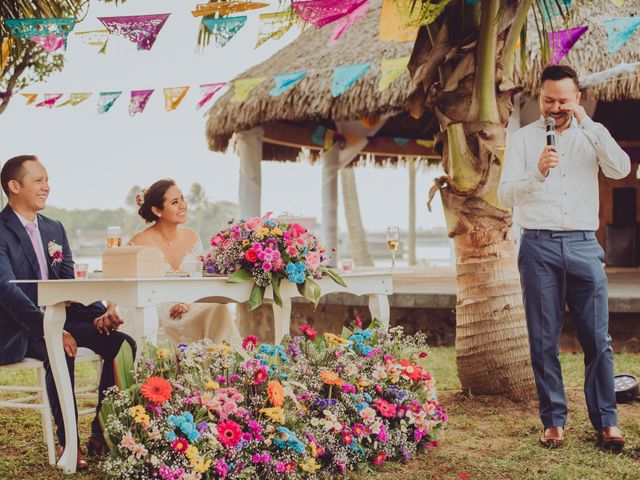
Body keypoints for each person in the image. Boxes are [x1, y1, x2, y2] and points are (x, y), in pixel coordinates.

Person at [498, 65, 630, 449]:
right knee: (542, 340)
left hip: (584, 245)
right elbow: (504, 196)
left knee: (597, 339)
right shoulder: (523, 139)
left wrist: (588, 124)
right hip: (537, 246)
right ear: (539, 97)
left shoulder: (592, 135)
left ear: (578, 99)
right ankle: (553, 420)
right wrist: (536, 173)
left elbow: (620, 168)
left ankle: (607, 421)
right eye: (548, 99)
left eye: (563, 100)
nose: (555, 107)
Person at [0, 155, 136, 468]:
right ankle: (69, 444)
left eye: (47, 180)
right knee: (60, 350)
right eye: (39, 180)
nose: (47, 187)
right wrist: (48, 329)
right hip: (21, 326)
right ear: (14, 185)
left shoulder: (54, 228)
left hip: (65, 319)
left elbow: (69, 283)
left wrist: (97, 314)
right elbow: (6, 289)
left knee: (123, 344)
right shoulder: (1, 230)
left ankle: (103, 434)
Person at [127, 179, 235, 345]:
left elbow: (198, 278)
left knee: (220, 310)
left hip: (190, 304)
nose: (183, 205)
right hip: (158, 309)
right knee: (215, 312)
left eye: (183, 199)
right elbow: (121, 276)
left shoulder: (192, 236)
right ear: (157, 210)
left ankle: (227, 366)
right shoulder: (140, 241)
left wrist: (186, 302)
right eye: (175, 202)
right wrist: (111, 309)